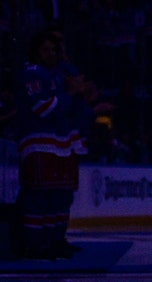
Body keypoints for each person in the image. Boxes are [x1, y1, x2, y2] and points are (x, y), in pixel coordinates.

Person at [13, 30, 96, 259]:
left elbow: (75, 90)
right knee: (39, 196)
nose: (52, 54)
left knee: (61, 196)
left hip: (63, 142)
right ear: (36, 51)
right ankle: (33, 244)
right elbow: (44, 109)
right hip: (40, 142)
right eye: (47, 49)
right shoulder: (33, 72)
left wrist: (68, 65)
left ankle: (55, 240)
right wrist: (70, 93)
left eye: (55, 49)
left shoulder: (57, 71)